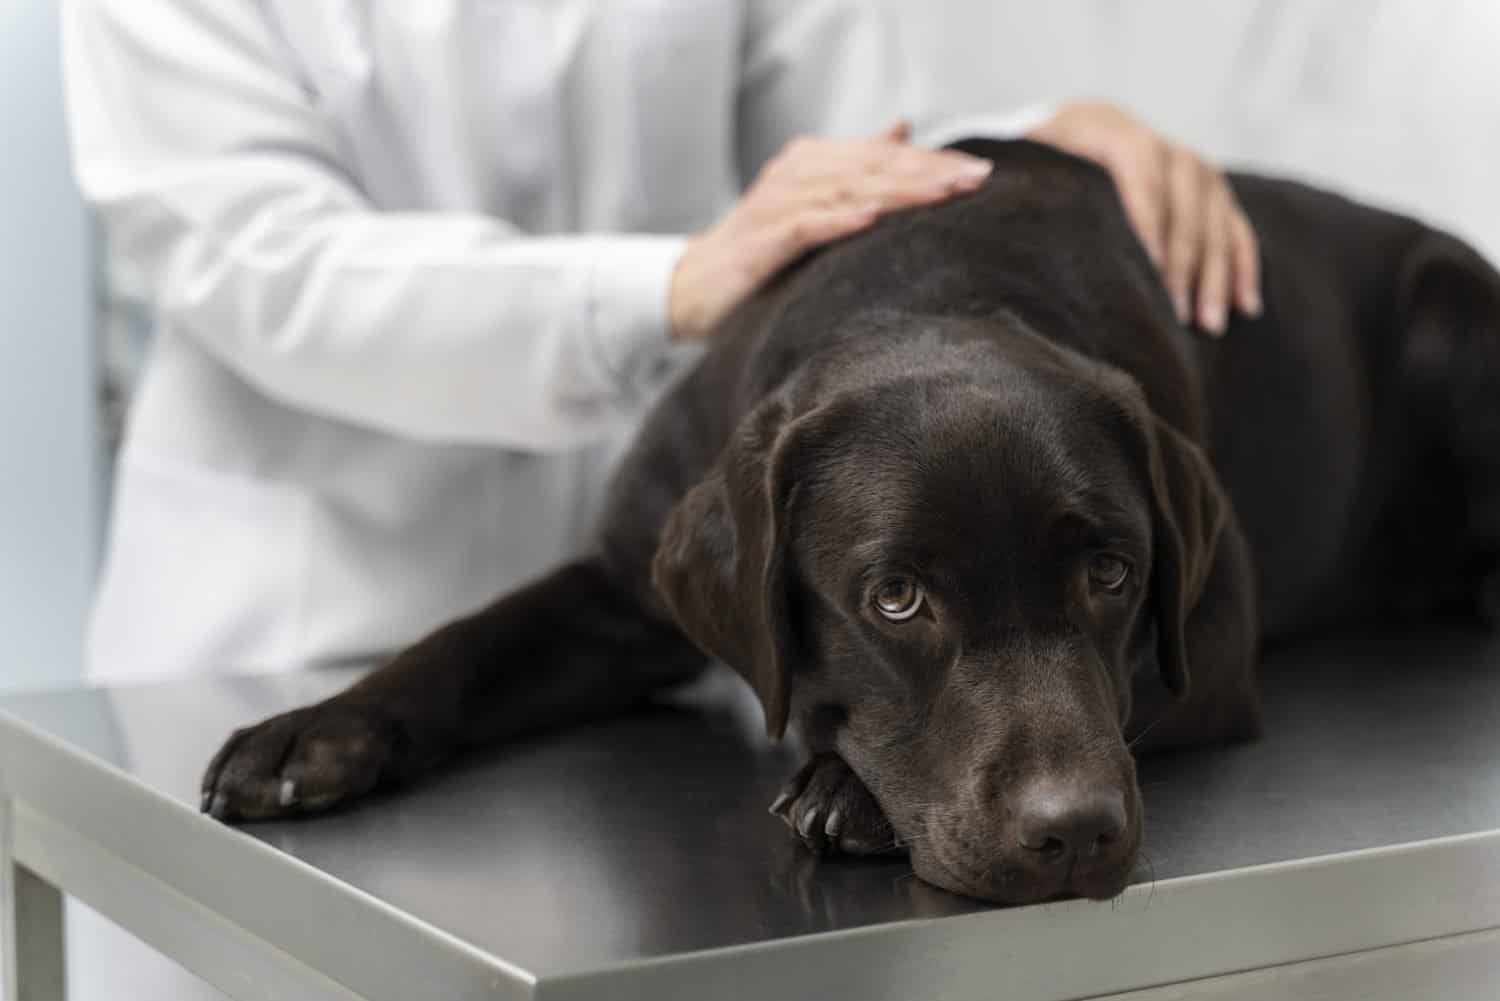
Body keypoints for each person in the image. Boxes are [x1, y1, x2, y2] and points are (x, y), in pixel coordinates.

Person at [63, 1, 1260, 998]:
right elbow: (256, 259)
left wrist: (1031, 142)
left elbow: (865, 147)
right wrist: (666, 286)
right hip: (292, 598)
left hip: (664, 638)